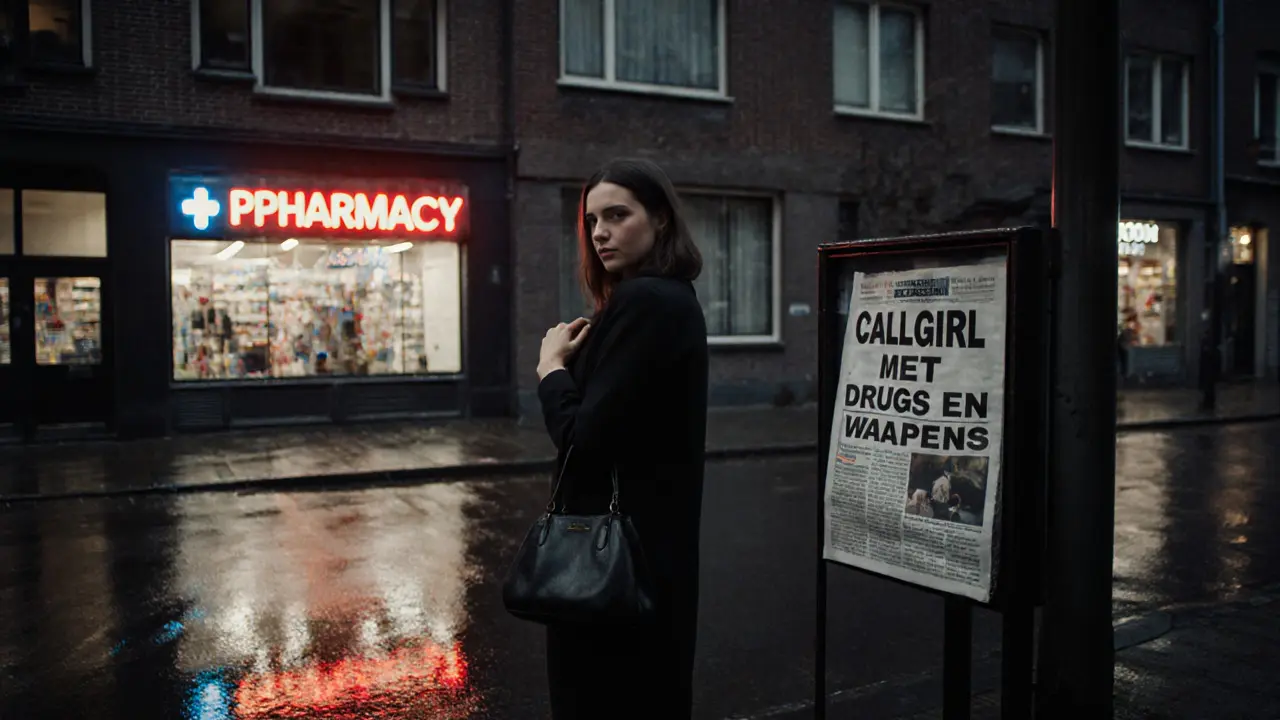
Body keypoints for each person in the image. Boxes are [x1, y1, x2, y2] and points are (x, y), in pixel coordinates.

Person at [534, 158, 709, 719]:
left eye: (617, 214)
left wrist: (551, 371)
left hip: (611, 571)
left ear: (659, 221)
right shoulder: (670, 300)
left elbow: (584, 440)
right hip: (651, 558)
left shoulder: (646, 302)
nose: (600, 232)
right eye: (590, 221)